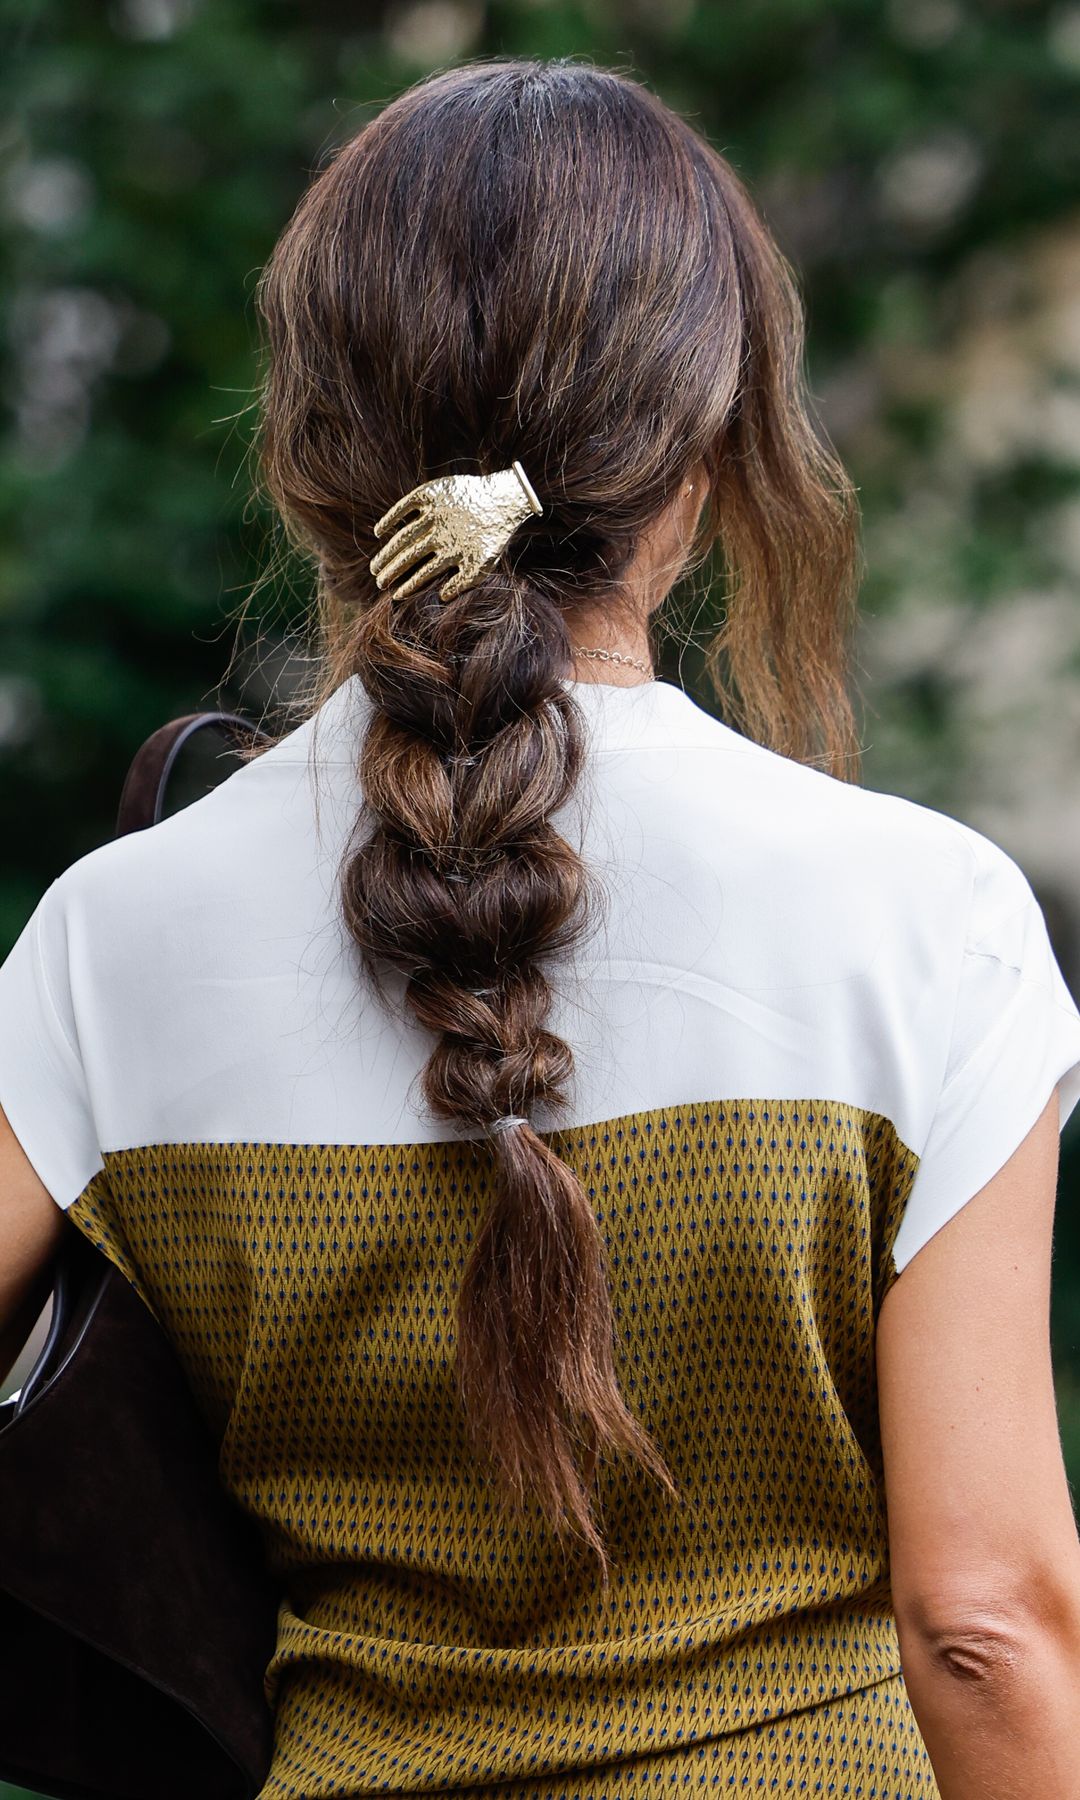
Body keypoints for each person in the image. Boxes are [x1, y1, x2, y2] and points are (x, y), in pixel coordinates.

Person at [1, 55, 1079, 1800]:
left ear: (311, 463)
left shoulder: (108, 938)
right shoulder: (926, 918)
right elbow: (985, 1622)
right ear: (709, 456)